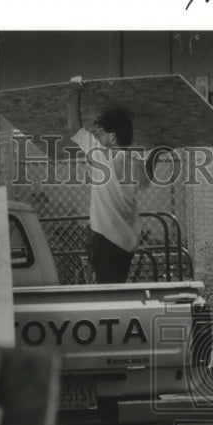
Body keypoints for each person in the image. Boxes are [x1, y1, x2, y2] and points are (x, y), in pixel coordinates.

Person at [67, 78, 149, 284]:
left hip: (105, 238)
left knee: (105, 294)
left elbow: (74, 128)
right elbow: (146, 184)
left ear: (112, 137)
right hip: (127, 242)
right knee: (117, 287)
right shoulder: (137, 163)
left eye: (103, 133)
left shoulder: (101, 156)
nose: (99, 136)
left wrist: (75, 90)